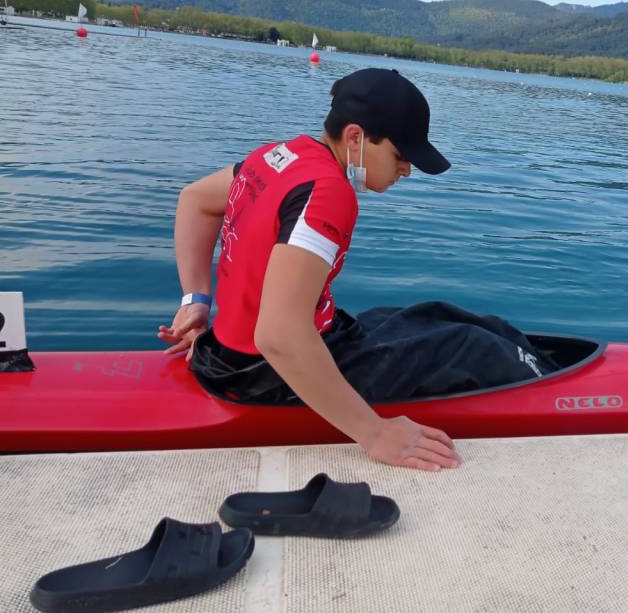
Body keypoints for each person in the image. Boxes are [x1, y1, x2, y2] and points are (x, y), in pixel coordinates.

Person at [157, 68, 461, 472]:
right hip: (264, 377)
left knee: (430, 316)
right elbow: (279, 336)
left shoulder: (278, 155)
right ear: (355, 137)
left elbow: (195, 201)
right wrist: (374, 433)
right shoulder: (329, 191)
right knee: (466, 346)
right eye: (400, 155)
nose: (407, 170)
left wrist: (195, 300)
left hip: (226, 356)